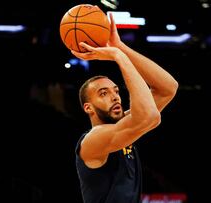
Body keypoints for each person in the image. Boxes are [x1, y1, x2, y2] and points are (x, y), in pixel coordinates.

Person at [71, 13, 179, 203]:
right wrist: (118, 57)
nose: (114, 96)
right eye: (103, 93)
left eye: (115, 91)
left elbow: (168, 88)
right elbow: (149, 117)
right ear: (88, 108)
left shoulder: (124, 126)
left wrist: (120, 47)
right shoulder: (92, 140)